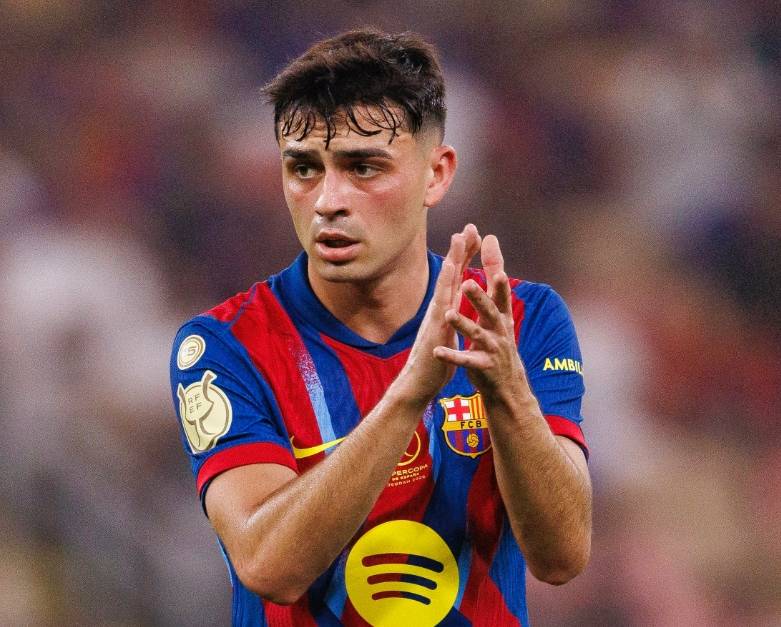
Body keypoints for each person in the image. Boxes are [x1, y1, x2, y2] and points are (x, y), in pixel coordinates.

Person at [170, 28, 591, 627]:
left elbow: (562, 557)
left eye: (363, 167)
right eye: (303, 168)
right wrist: (409, 393)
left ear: (436, 174)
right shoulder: (223, 347)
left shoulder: (520, 321)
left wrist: (508, 394)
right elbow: (269, 567)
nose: (328, 201)